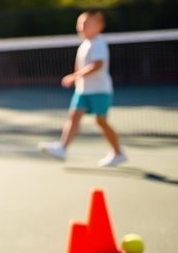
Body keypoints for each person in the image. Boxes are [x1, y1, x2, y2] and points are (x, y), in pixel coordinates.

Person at [39, 10, 128, 167]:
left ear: (99, 26)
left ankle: (118, 153)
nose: (81, 26)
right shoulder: (84, 44)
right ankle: (62, 148)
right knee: (73, 117)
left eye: (86, 23)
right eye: (80, 23)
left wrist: (74, 76)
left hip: (100, 90)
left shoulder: (98, 42)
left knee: (101, 122)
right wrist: (77, 80)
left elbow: (97, 64)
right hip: (83, 90)